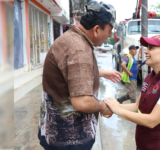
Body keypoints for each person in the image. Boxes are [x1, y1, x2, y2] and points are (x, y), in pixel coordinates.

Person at [38, 1, 121, 150]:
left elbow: (70, 72)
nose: (109, 35)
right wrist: (104, 106)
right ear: (96, 30)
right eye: (109, 31)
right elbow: (82, 102)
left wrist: (99, 73)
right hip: (69, 141)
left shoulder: (72, 39)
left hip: (57, 133)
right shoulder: (79, 49)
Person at [104, 35, 160, 150]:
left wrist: (117, 110)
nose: (146, 51)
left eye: (151, 48)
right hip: (143, 144)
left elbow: (152, 121)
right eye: (147, 47)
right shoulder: (150, 77)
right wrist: (114, 106)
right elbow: (137, 106)